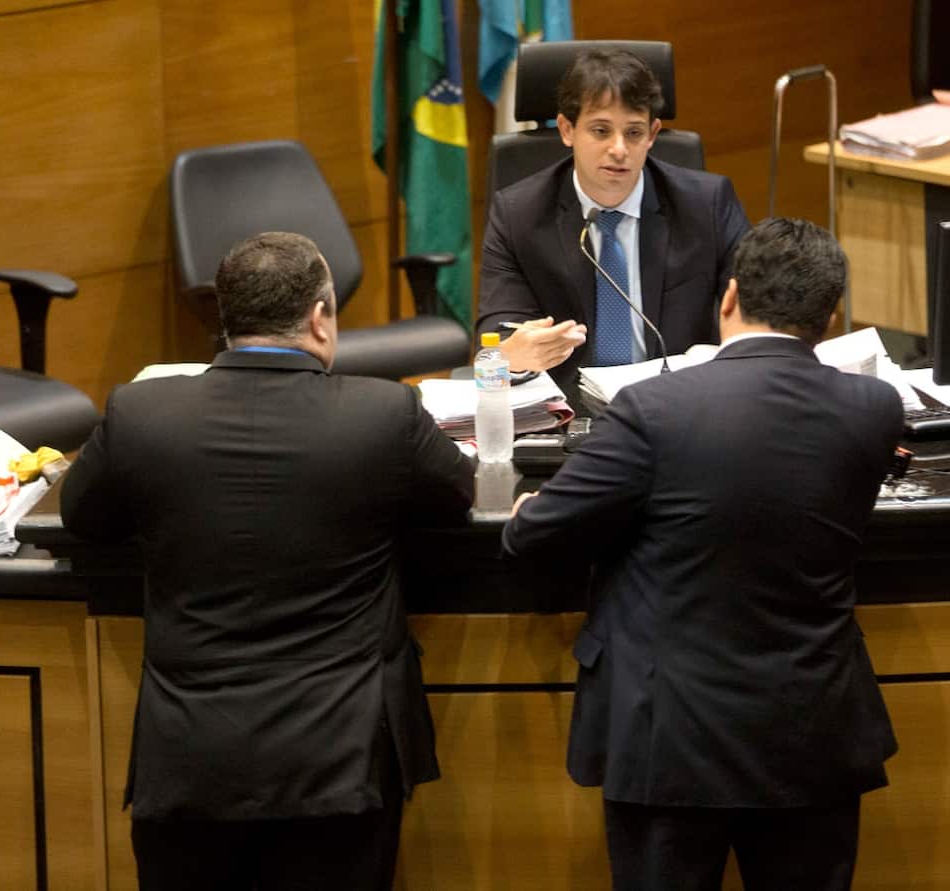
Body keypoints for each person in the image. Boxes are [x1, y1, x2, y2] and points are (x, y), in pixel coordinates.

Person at [60, 232, 474, 890]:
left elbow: (80, 518)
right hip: (340, 773)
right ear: (319, 317)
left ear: (226, 321)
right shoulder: (384, 414)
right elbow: (458, 496)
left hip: (190, 768)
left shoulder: (140, 414)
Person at [503, 218, 903, 891]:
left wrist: (524, 511)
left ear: (729, 297)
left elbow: (534, 537)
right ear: (829, 317)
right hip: (812, 732)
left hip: (670, 739)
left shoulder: (654, 407)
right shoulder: (873, 408)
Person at [477, 47, 750, 383]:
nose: (619, 149)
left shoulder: (707, 204)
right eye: (601, 131)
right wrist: (516, 354)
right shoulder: (518, 215)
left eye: (634, 132)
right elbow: (498, 336)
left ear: (652, 134)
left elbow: (752, 313)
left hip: (678, 403)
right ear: (566, 130)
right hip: (570, 413)